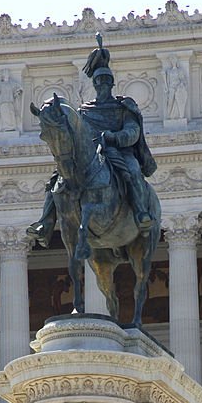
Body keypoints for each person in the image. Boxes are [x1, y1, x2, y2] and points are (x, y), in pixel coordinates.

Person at [29, 37, 156, 253]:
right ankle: (45, 222)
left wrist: (114, 138)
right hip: (92, 155)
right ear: (94, 84)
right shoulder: (84, 111)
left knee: (133, 170)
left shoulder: (123, 106)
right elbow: (77, 136)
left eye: (106, 82)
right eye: (98, 82)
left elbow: (132, 132)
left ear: (112, 83)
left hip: (117, 151)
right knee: (57, 181)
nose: (102, 86)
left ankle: (141, 212)